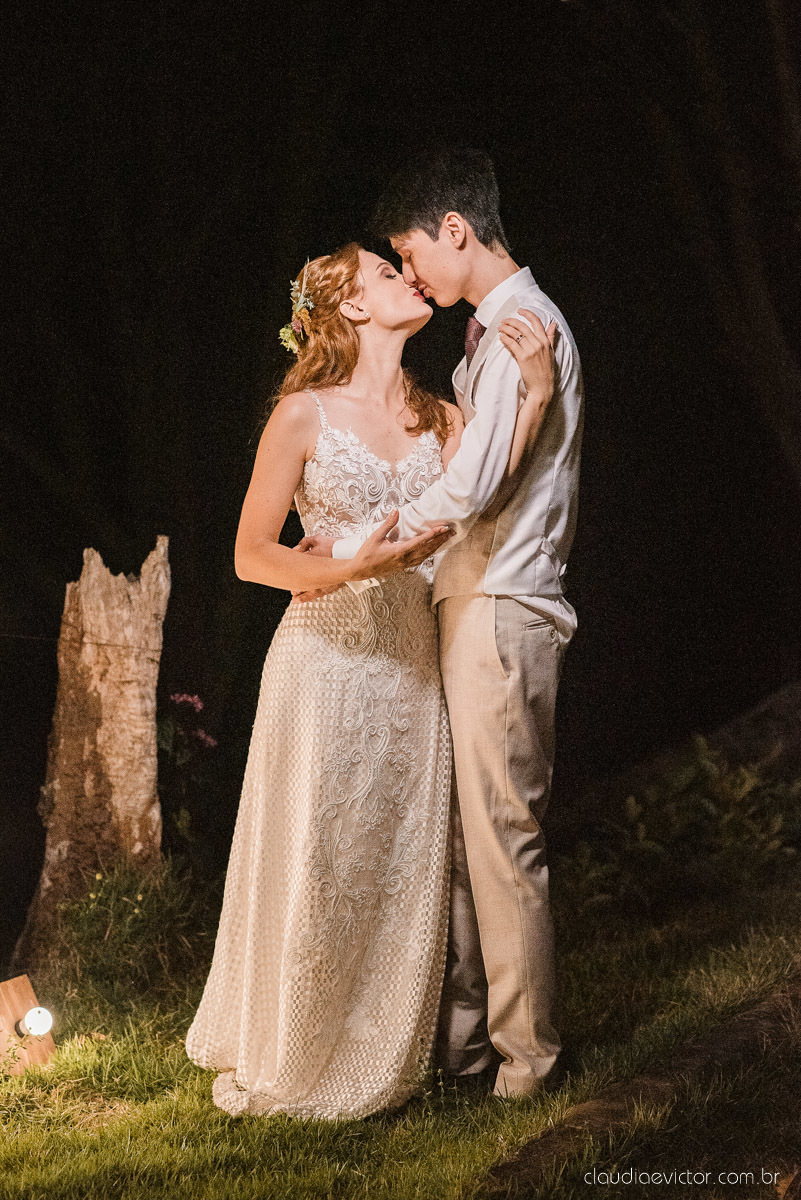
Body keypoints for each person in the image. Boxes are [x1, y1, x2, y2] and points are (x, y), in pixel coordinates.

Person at [184, 240, 557, 1120]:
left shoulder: (446, 417)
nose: (407, 277)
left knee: (395, 862)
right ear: (349, 306)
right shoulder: (303, 415)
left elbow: (491, 488)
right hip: (325, 660)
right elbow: (249, 557)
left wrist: (536, 395)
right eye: (386, 273)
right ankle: (296, 1043)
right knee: (320, 856)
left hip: (413, 666)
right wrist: (346, 570)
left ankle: (387, 1045)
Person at [301, 147, 584, 1099]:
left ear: (453, 231)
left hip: (503, 600)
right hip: (471, 596)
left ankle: (528, 1063)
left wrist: (373, 549)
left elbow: (477, 482)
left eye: (410, 254)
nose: (412, 274)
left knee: (501, 837)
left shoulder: (523, 330)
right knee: (467, 841)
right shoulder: (491, 340)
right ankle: (465, 1051)